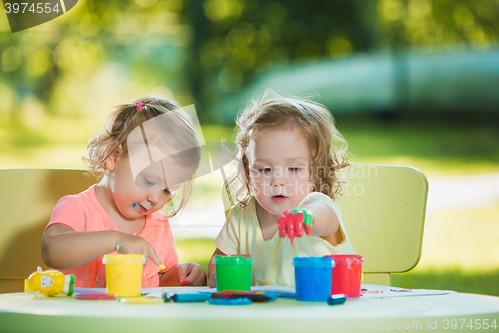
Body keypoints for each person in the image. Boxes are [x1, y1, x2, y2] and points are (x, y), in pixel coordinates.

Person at [42, 96, 207, 288]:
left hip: (134, 318)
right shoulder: (78, 209)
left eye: (167, 191)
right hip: (80, 318)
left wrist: (181, 276)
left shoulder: (158, 224)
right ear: (114, 157)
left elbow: (160, 280)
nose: (155, 198)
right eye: (149, 181)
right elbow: (51, 250)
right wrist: (116, 240)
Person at [208, 91, 356, 287]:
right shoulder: (241, 216)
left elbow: (323, 217)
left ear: (317, 172)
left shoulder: (318, 205)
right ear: (248, 172)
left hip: (321, 312)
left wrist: (305, 216)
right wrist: (214, 277)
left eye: (294, 168)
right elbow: (218, 263)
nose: (278, 181)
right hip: (266, 315)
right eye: (265, 169)